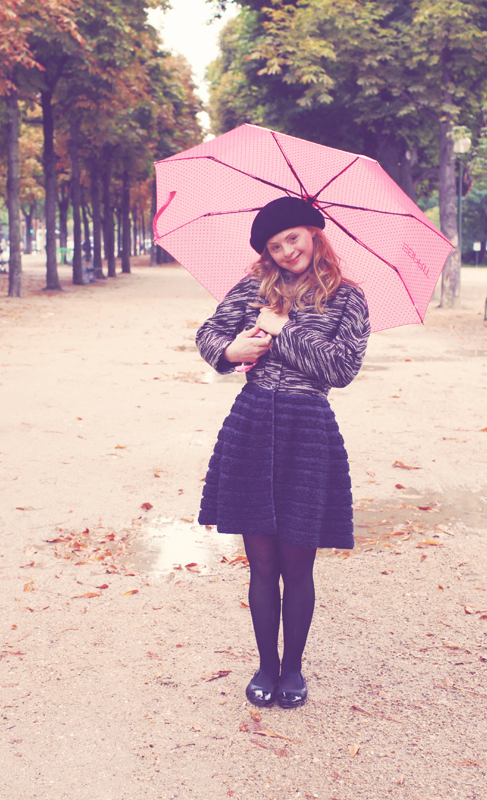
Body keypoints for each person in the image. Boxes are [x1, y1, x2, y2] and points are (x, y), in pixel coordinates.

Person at [195, 196, 370, 709]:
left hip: (307, 429)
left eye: (293, 237)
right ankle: (265, 666)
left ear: (314, 232)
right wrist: (231, 352)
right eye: (275, 246)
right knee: (261, 563)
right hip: (253, 423)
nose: (287, 250)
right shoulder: (253, 288)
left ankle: (292, 668)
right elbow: (208, 333)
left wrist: (281, 330)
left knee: (297, 562)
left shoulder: (349, 299)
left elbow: (340, 370)